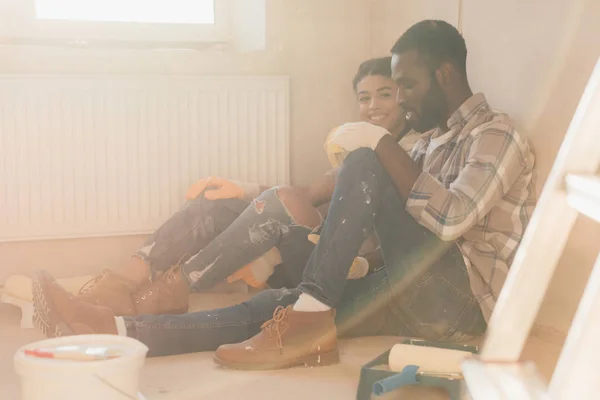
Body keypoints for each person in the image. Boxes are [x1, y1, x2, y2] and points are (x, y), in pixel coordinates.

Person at [33, 19, 536, 371]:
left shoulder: (496, 135)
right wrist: (354, 262)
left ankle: (309, 319)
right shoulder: (427, 143)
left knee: (364, 158)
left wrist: (379, 144)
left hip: (459, 302)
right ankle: (116, 327)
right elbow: (404, 225)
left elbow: (451, 224)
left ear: (445, 75)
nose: (399, 99)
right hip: (404, 284)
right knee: (277, 305)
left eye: (405, 86)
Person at [32, 56, 417, 329]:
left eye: (384, 94)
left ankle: (145, 299)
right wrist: (242, 189)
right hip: (316, 245)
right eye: (364, 98)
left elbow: (403, 230)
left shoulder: (409, 151)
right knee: (213, 203)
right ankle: (117, 286)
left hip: (339, 270)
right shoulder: (361, 146)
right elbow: (311, 192)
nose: (372, 106)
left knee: (278, 198)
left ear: (404, 97)